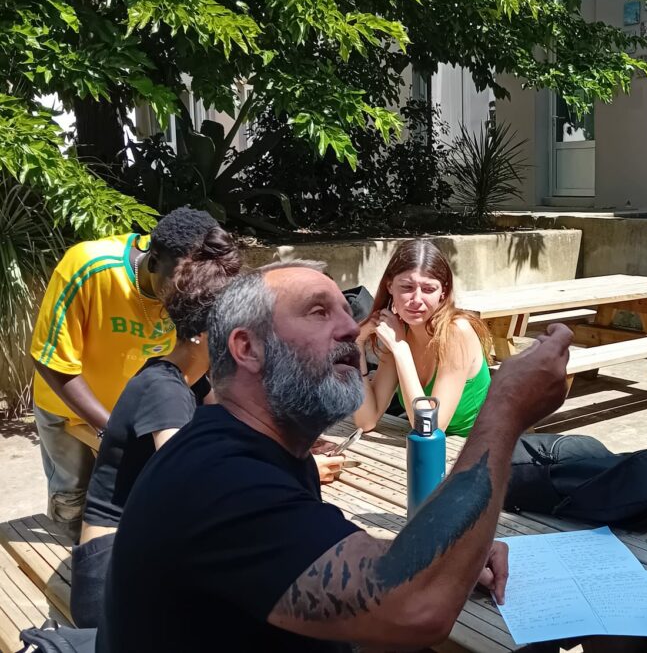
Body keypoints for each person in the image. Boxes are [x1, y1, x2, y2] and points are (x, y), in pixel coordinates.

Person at [98, 260, 573, 652]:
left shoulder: (266, 453)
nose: (349, 327)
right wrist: (504, 409)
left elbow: (359, 591)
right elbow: (415, 609)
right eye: (319, 312)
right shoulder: (220, 479)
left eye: (346, 312)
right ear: (248, 348)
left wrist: (451, 554)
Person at [69, 227, 242, 628]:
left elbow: (231, 432)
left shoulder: (189, 380)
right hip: (107, 579)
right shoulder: (164, 390)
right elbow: (191, 484)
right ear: (202, 335)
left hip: (135, 556)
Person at [29, 206, 235, 539]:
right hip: (69, 406)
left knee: (127, 499)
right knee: (72, 498)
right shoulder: (89, 266)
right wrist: (111, 430)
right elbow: (51, 360)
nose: (187, 292)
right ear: (153, 263)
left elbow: (194, 367)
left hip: (131, 408)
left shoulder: (188, 284)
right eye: (179, 283)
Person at [352, 239, 492, 437]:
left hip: (480, 444)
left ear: (443, 292)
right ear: (390, 286)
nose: (416, 300)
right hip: (437, 449)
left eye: (428, 289)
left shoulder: (456, 332)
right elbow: (366, 420)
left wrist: (401, 350)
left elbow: (428, 429)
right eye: (407, 287)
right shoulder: (399, 331)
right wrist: (357, 343)